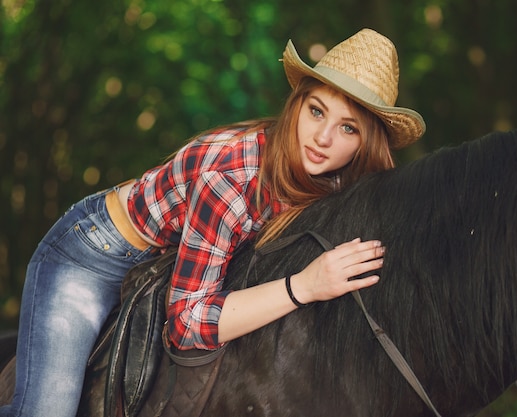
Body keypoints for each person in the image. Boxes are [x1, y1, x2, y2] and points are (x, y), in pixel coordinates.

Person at [0, 28, 425, 417]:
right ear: (298, 104)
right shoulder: (231, 180)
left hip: (169, 259)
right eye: (316, 111)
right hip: (95, 253)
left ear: (364, 142)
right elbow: (186, 324)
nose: (323, 138)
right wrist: (306, 286)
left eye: (347, 127)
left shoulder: (334, 179)